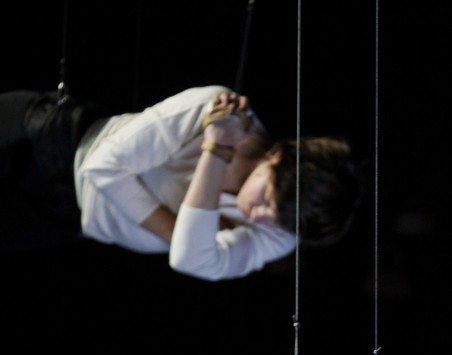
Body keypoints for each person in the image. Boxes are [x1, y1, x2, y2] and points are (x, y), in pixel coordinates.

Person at [0, 85, 361, 279]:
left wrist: (216, 151)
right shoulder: (214, 109)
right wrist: (193, 229)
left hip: (64, 219)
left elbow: (189, 259)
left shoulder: (281, 229)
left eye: (277, 220)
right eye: (267, 198)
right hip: (50, 142)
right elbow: (100, 167)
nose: (259, 217)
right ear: (277, 156)